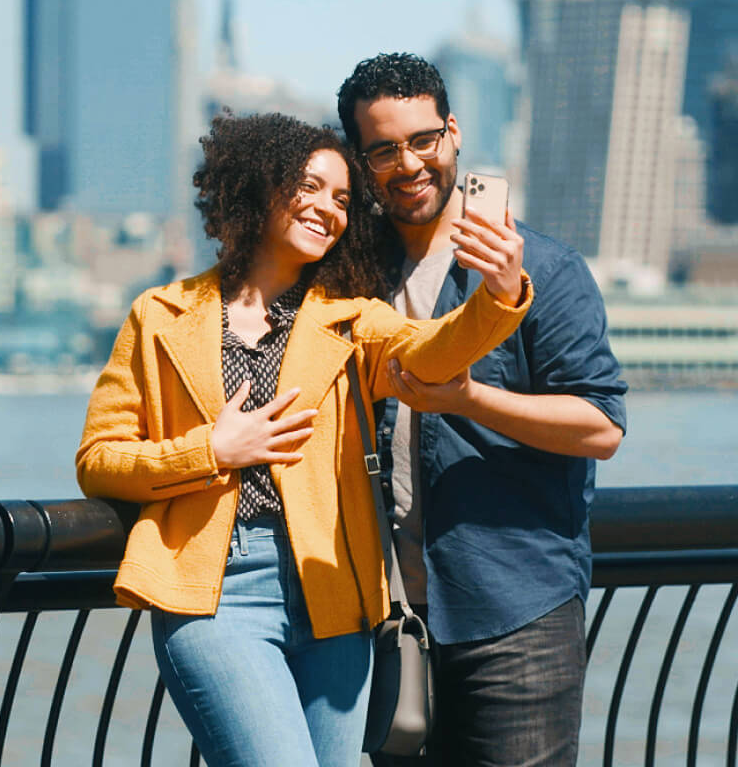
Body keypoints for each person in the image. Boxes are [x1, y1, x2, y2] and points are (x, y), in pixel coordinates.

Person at [75, 113, 532, 767]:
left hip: (335, 597)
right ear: (258, 186)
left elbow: (432, 354)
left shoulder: (352, 321)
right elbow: (99, 460)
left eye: (343, 199)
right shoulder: (160, 315)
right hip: (216, 595)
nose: (329, 208)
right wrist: (212, 452)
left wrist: (500, 291)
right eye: (310, 187)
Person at [337, 53, 628, 766]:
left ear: (454, 133)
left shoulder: (543, 270)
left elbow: (602, 428)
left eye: (423, 139)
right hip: (381, 618)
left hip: (514, 611)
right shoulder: (350, 275)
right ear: (361, 159)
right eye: (382, 149)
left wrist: (470, 398)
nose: (408, 164)